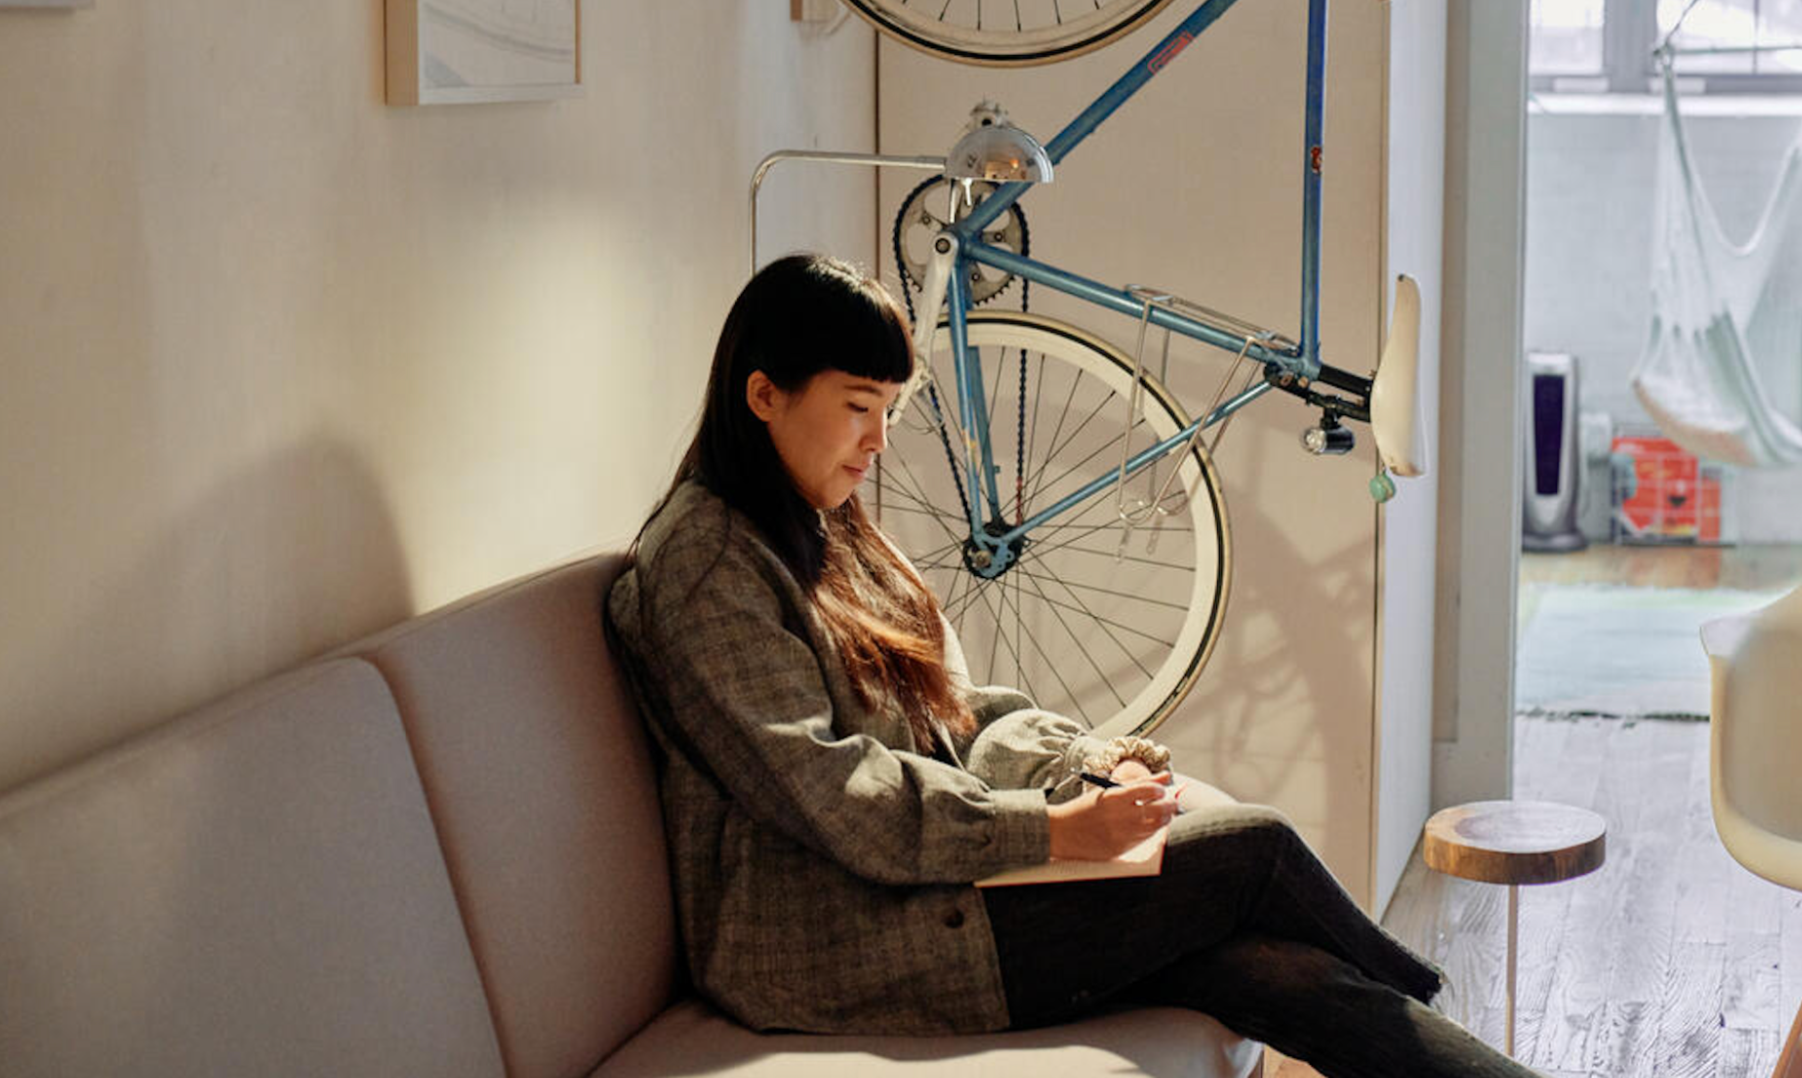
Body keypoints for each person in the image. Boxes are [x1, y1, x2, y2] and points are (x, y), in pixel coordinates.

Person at [604, 254, 1545, 1078]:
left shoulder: (821, 524)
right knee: (1251, 849)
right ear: (763, 395)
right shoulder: (706, 565)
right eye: (858, 408)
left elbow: (958, 713)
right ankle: (1431, 991)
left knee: (1263, 971)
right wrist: (1052, 832)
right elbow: (833, 793)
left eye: (888, 410)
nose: (879, 441)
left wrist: (1085, 767)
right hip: (837, 942)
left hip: (924, 890)